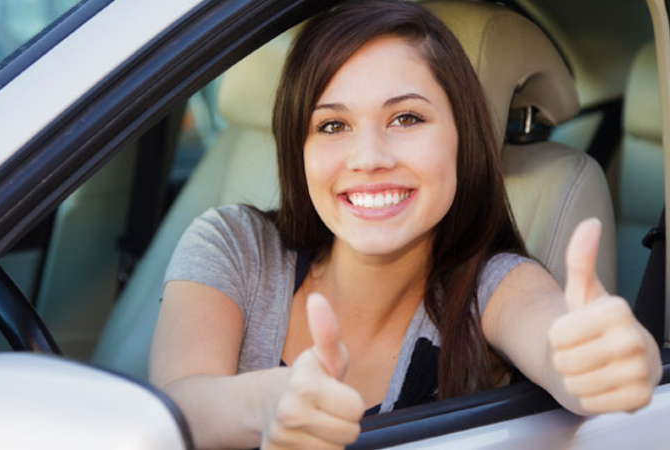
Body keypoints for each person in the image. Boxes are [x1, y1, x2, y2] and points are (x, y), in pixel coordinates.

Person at [149, 1, 663, 449]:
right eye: (332, 125)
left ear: (462, 140)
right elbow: (175, 408)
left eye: (407, 119)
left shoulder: (494, 284)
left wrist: (605, 356)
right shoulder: (234, 246)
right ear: (297, 151)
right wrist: (271, 403)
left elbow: (558, 342)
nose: (369, 157)